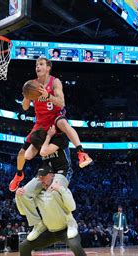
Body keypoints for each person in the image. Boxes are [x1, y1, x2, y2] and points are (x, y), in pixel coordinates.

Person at [9, 57, 92, 191]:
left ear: (48, 68)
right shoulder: (32, 85)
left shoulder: (55, 82)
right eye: (36, 64)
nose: (38, 67)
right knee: (22, 154)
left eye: (41, 64)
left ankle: (81, 153)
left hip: (55, 116)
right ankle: (19, 175)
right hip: (40, 122)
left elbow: (61, 103)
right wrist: (26, 95)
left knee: (64, 123)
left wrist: (48, 96)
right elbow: (25, 107)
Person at [16, 165, 89, 256]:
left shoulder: (61, 189)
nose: (41, 179)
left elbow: (72, 207)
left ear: (52, 176)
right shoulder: (37, 195)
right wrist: (19, 198)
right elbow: (23, 212)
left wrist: (61, 190)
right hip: (49, 231)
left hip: (66, 229)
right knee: (24, 246)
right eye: (40, 176)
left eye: (44, 176)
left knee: (75, 246)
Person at [15, 125, 77, 241]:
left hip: (62, 171)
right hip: (46, 171)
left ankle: (70, 222)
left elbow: (43, 152)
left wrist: (48, 137)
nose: (37, 148)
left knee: (53, 191)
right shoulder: (40, 141)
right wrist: (30, 143)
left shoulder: (60, 137)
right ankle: (37, 224)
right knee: (24, 192)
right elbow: (27, 156)